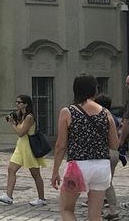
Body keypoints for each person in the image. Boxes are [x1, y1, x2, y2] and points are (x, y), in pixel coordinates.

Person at [51, 74, 119, 221]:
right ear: (94, 90)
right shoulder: (105, 112)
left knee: (66, 209)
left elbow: (60, 145)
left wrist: (55, 170)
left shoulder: (68, 112)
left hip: (78, 166)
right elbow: (115, 145)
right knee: (95, 216)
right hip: (102, 166)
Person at [0, 94, 47, 206]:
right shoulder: (22, 116)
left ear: (25, 104)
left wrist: (12, 124)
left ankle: (41, 198)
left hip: (29, 147)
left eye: (19, 102)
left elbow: (21, 133)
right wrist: (15, 121)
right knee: (11, 169)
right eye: (16, 102)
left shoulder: (29, 117)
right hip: (20, 146)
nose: (17, 104)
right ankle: (9, 196)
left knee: (35, 173)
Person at [93, 93, 120, 221]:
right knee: (107, 182)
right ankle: (112, 209)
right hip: (114, 152)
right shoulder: (113, 117)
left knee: (99, 183)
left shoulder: (100, 117)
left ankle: (101, 211)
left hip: (104, 152)